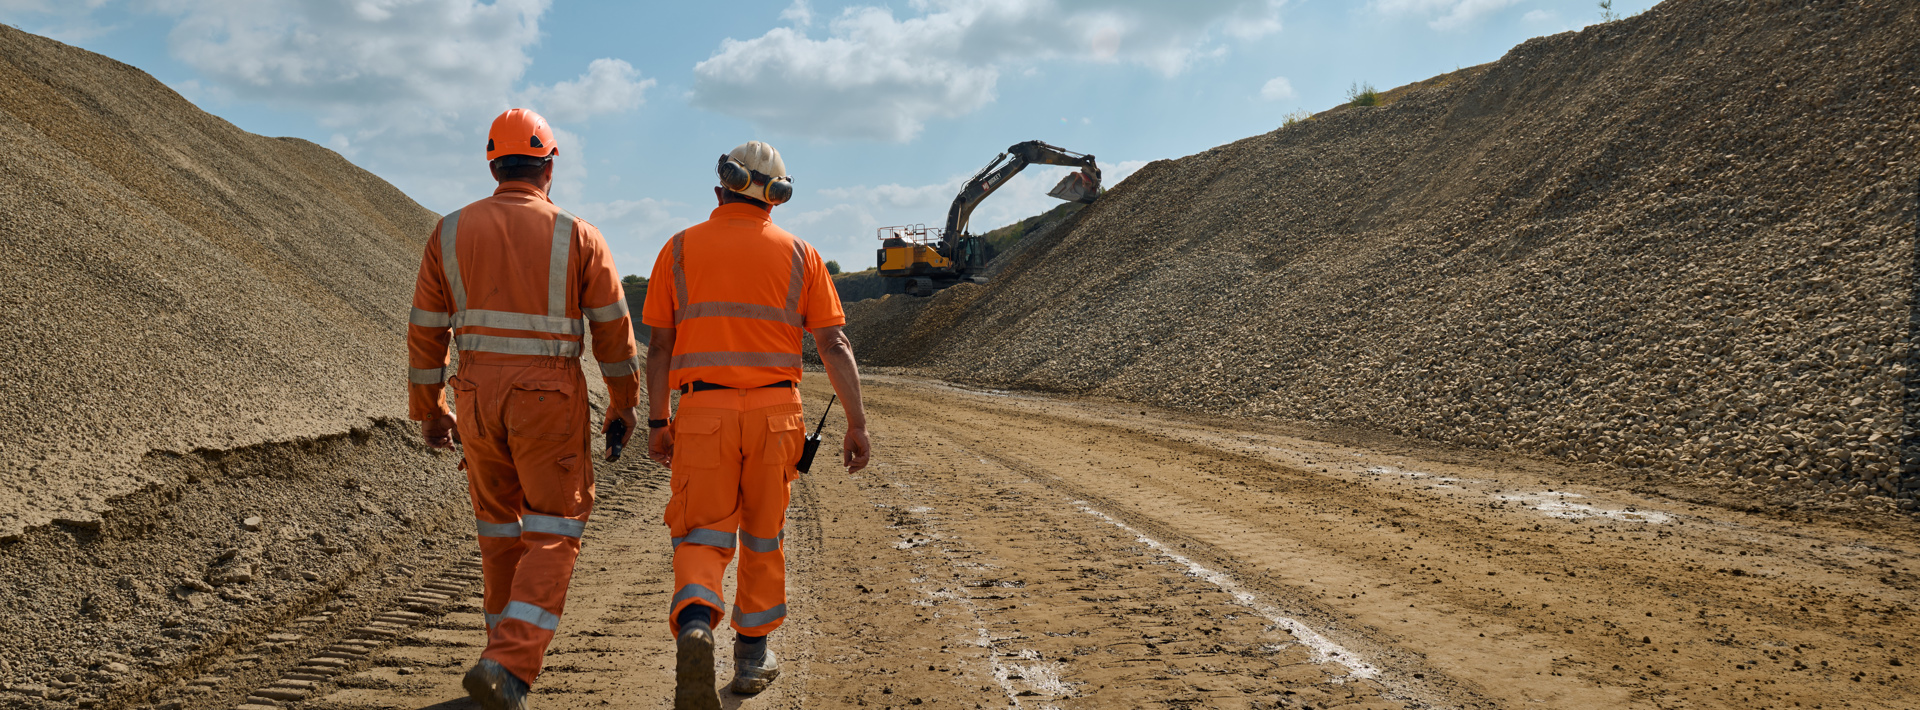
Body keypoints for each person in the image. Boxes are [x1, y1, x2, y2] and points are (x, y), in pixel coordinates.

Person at [406, 108, 640, 710]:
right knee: (555, 531)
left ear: (493, 162)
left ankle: (499, 664)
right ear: (549, 165)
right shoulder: (577, 234)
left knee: (499, 532)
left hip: (477, 396)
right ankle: (508, 668)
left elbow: (427, 331)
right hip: (547, 399)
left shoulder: (449, 232)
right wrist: (622, 404)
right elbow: (614, 332)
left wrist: (430, 409)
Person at [641, 141, 871, 708]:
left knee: (702, 532)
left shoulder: (677, 251)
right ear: (777, 194)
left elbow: (659, 347)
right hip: (775, 416)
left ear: (721, 184)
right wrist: (856, 423)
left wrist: (657, 420)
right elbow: (833, 343)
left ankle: (696, 624)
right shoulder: (802, 255)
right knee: (763, 534)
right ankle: (750, 660)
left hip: (701, 413)